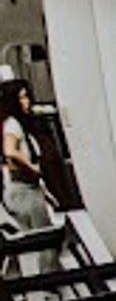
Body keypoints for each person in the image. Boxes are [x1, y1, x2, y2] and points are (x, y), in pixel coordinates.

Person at [1, 78, 54, 274]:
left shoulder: (19, 125)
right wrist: (32, 168)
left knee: (37, 243)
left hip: (30, 190)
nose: (27, 102)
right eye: (22, 98)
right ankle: (48, 286)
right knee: (44, 243)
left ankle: (43, 286)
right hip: (24, 192)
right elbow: (10, 152)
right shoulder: (13, 125)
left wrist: (44, 190)